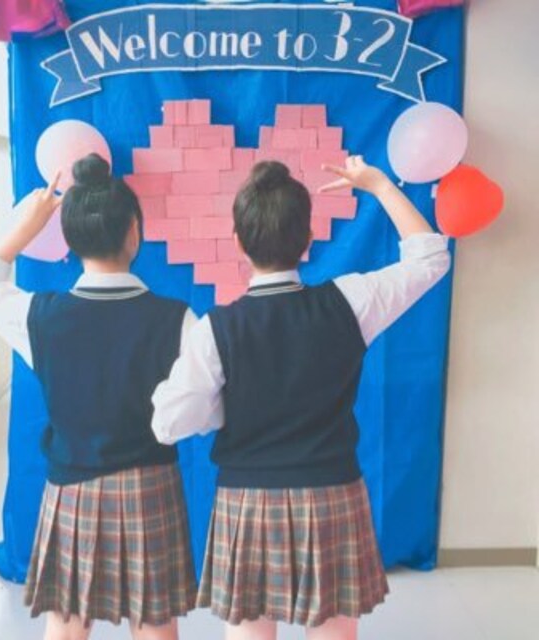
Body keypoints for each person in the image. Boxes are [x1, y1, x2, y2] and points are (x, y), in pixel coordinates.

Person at [151, 156, 451, 640]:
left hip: (248, 502)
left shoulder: (216, 329)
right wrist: (377, 185)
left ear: (237, 242)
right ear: (308, 239)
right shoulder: (349, 302)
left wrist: (220, 409)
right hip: (332, 494)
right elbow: (431, 258)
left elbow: (167, 424)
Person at [0, 154, 197, 640]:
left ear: (68, 239)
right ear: (134, 232)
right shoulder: (177, 319)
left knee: (66, 626)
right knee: (155, 626)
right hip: (150, 485)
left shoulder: (39, 315)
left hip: (72, 489)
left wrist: (26, 228)